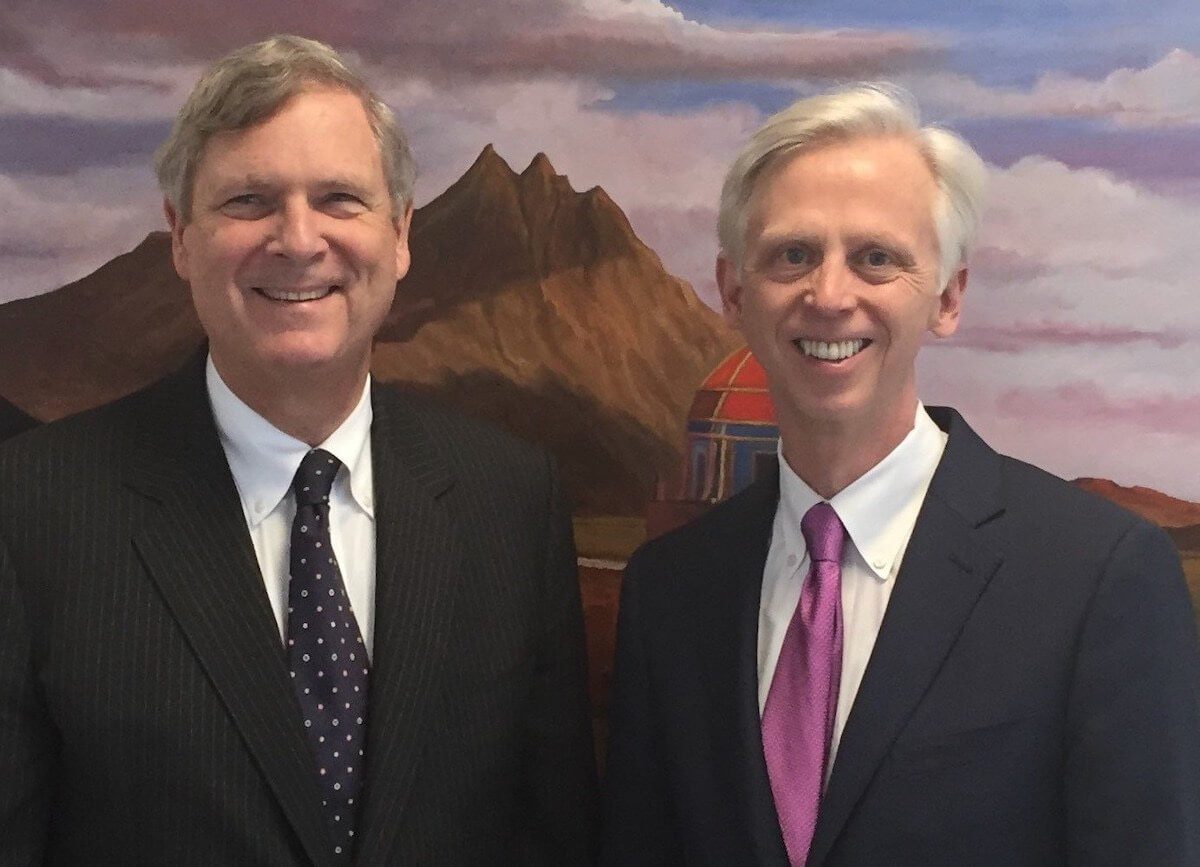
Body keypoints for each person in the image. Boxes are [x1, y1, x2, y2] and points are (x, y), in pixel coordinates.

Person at [0, 35, 597, 865]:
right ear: (180, 236)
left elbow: (552, 836)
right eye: (248, 201)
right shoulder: (30, 508)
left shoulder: (511, 500)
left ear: (399, 235)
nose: (298, 239)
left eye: (339, 199)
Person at [600, 83, 1200, 865]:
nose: (829, 295)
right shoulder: (671, 591)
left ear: (948, 296)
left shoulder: (1099, 579)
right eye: (793, 254)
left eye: (876, 258)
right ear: (734, 291)